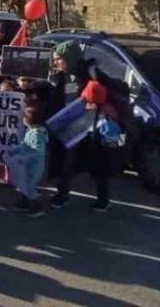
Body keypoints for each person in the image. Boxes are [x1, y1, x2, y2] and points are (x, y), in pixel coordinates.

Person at [46, 40, 121, 212]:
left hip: (93, 126)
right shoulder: (61, 77)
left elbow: (112, 92)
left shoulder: (91, 73)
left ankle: (103, 199)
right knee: (66, 162)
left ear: (70, 58)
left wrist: (99, 104)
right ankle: (62, 195)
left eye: (59, 58)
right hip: (71, 127)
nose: (56, 62)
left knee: (99, 163)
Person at [10, 101, 48, 218]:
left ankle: (37, 207)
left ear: (27, 119)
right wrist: (15, 150)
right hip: (27, 164)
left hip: (34, 166)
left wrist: (23, 157)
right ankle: (24, 202)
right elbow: (24, 144)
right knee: (23, 183)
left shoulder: (36, 134)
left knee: (29, 186)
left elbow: (37, 151)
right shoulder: (30, 131)